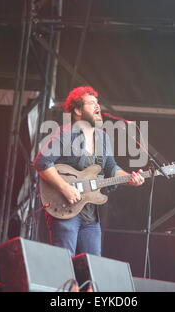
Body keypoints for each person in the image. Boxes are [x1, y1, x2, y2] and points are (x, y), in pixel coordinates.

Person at [33, 86, 145, 257]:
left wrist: (130, 178)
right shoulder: (65, 134)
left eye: (97, 103)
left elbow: (111, 168)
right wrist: (65, 188)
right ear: (77, 110)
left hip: (91, 215)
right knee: (65, 264)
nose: (97, 106)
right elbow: (42, 163)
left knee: (92, 268)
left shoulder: (103, 137)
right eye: (91, 103)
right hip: (65, 210)